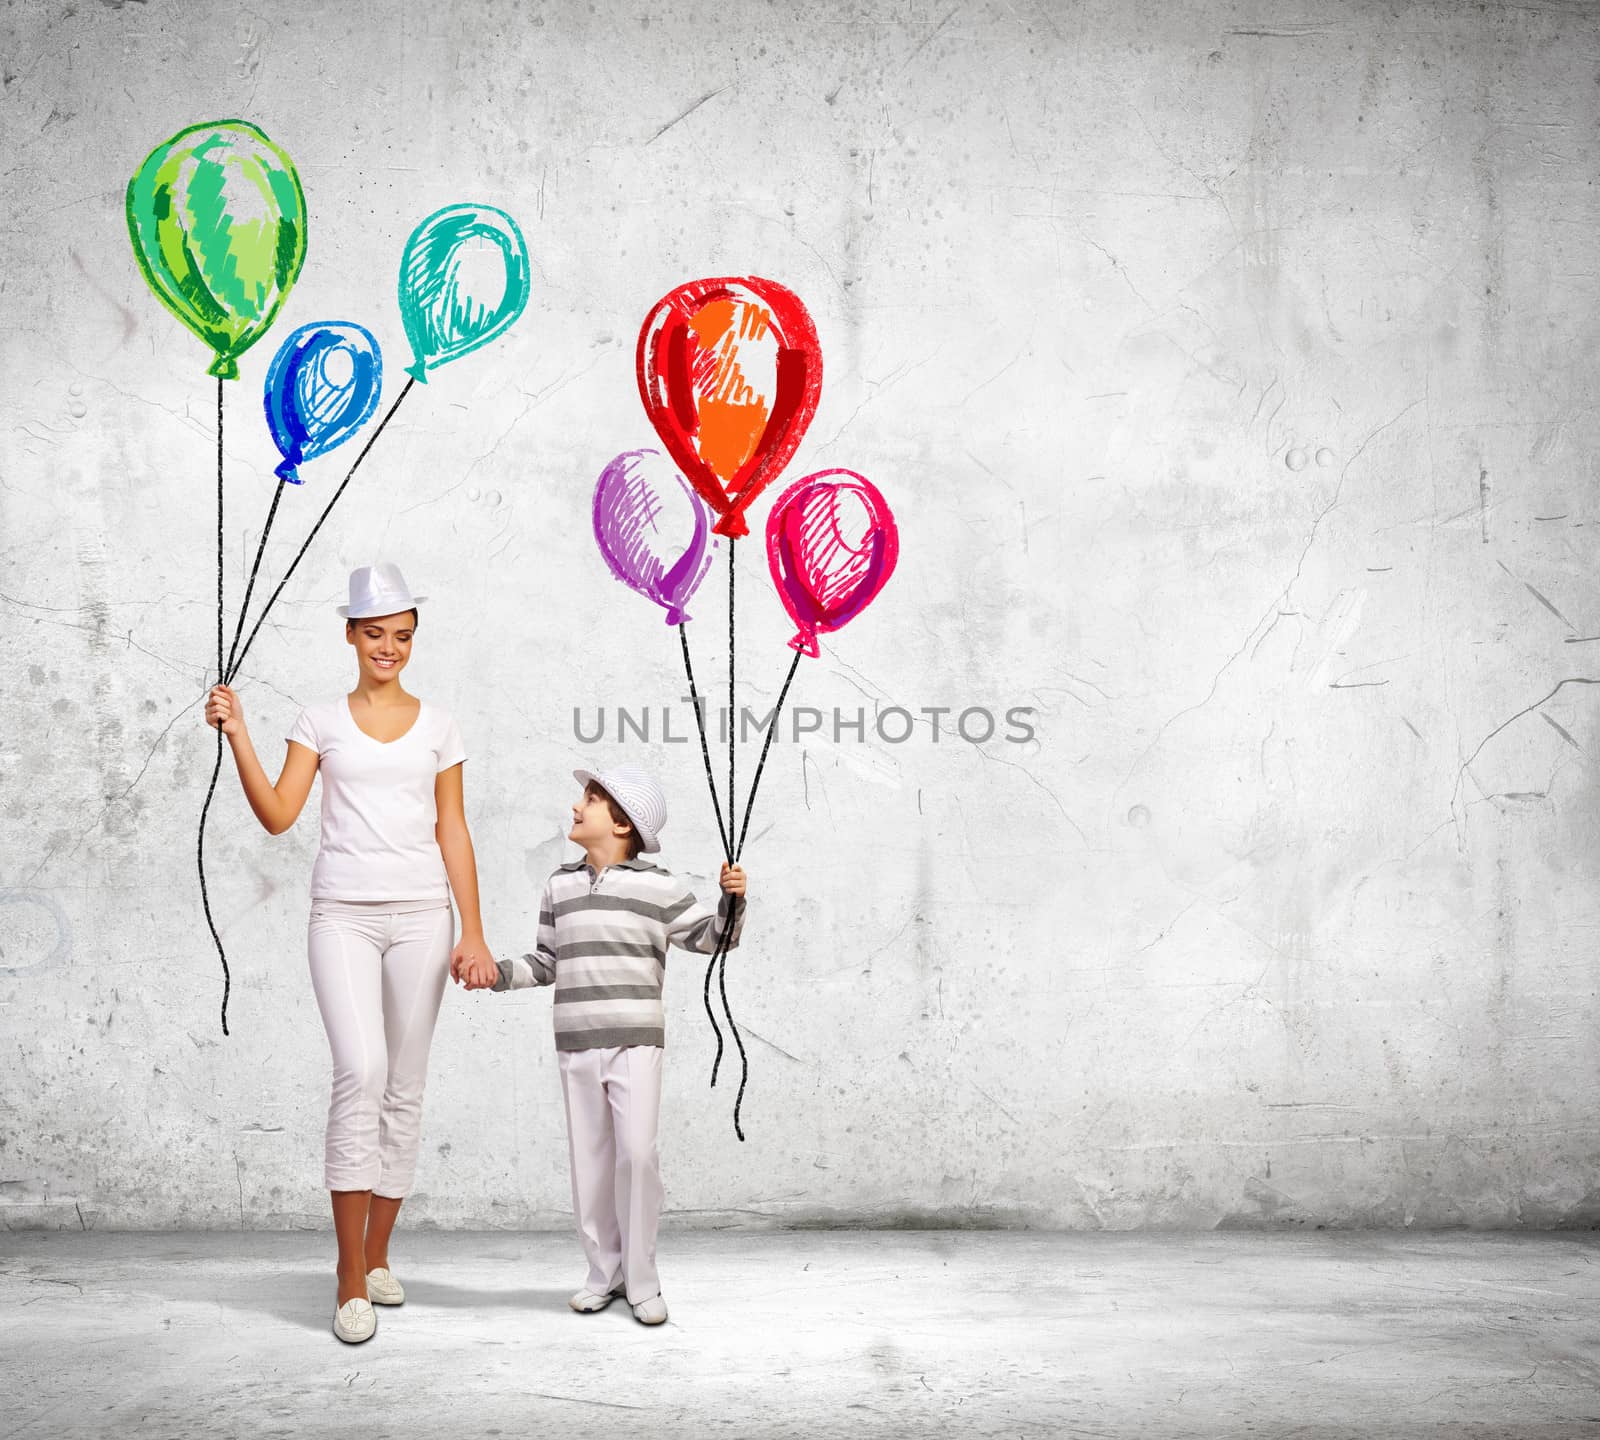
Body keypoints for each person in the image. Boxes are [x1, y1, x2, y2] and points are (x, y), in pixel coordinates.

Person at [204, 562, 493, 1344]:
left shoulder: (441, 726)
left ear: (412, 639)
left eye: (400, 636)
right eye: (375, 635)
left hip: (425, 916)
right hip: (342, 915)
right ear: (350, 635)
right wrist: (240, 734)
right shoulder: (320, 720)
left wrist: (472, 927)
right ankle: (344, 1274)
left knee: (403, 1084)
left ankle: (376, 1256)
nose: (388, 648)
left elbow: (453, 830)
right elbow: (278, 815)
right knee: (359, 1071)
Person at [457, 766, 746, 1326]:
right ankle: (603, 1275)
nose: (575, 807)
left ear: (620, 822)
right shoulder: (559, 886)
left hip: (636, 1042)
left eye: (589, 800)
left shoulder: (660, 887)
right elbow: (546, 963)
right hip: (576, 1043)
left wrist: (731, 901)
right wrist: (493, 973)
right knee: (590, 1162)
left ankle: (642, 1281)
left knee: (637, 1156)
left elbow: (714, 937)